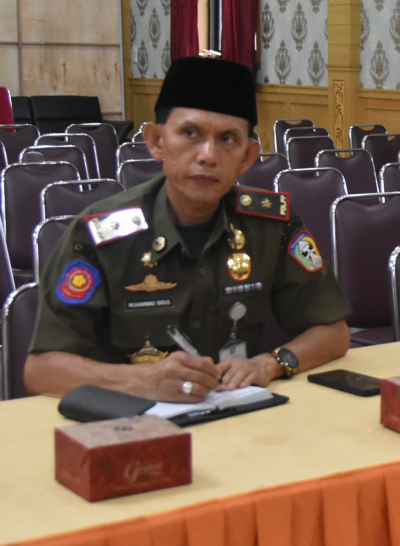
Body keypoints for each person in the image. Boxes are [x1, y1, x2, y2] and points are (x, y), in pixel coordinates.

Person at [25, 57, 351, 402]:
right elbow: (42, 370)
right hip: (130, 424)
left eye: (227, 139)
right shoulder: (100, 233)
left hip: (235, 416)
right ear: (156, 141)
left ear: (247, 156)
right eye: (190, 133)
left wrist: (271, 363)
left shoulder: (271, 223)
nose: (208, 155)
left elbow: (334, 332)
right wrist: (143, 381)